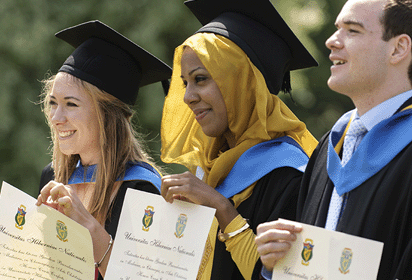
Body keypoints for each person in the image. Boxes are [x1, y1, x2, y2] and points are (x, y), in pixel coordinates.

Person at [159, 0, 318, 279]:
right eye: (186, 83)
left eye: (201, 79)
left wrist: (221, 208)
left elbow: (286, 275)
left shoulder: (290, 177)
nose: (188, 97)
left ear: (242, 83)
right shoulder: (209, 170)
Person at [255, 0, 412, 279]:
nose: (331, 41)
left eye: (352, 31)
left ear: (398, 48)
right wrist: (279, 264)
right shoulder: (332, 145)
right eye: (336, 28)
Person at [36, 20, 172, 280]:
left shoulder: (142, 189)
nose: (56, 118)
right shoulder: (53, 178)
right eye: (53, 103)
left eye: (71, 104)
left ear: (107, 115)